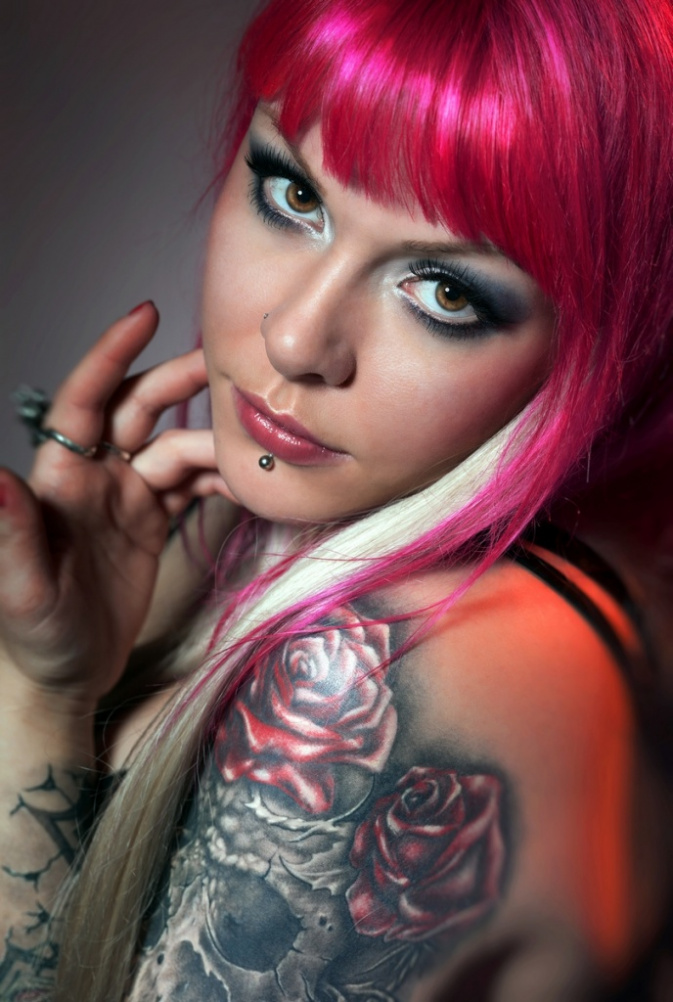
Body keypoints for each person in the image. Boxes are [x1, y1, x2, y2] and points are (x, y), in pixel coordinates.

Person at [1, 0, 672, 999]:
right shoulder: (250, 529)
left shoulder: (382, 658)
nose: (295, 340)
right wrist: (59, 674)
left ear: (600, 343)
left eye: (444, 291)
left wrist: (36, 702)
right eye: (293, 194)